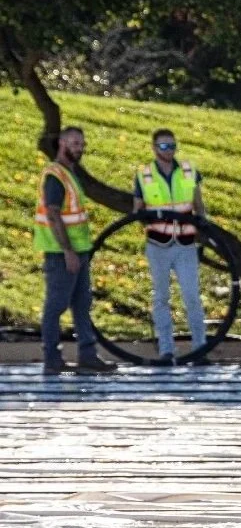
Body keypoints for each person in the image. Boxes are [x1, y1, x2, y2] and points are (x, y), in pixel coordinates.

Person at [34, 126, 117, 375]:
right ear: (61, 143)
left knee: (82, 304)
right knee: (56, 305)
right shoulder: (55, 176)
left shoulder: (69, 174)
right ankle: (51, 358)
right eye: (73, 143)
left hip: (79, 251)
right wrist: (68, 250)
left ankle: (88, 356)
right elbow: (52, 213)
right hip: (62, 253)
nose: (78, 148)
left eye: (81, 144)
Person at [133, 129, 208, 366]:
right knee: (161, 298)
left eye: (172, 146)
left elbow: (198, 205)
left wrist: (202, 228)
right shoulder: (144, 175)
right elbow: (138, 211)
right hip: (158, 245)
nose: (169, 150)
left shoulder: (188, 171)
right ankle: (166, 350)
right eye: (163, 146)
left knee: (192, 296)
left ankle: (200, 349)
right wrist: (151, 217)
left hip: (185, 244)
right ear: (154, 148)